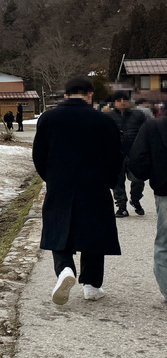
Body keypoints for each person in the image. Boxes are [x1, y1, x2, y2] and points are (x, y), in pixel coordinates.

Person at [32, 77, 123, 304]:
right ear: (90, 95)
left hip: (60, 184)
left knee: (57, 227)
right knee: (94, 232)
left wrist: (50, 177)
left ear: (65, 95)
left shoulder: (48, 119)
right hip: (94, 186)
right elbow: (115, 157)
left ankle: (64, 269)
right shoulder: (104, 121)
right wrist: (110, 182)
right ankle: (91, 286)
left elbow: (38, 155)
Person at [129, 114, 167, 304]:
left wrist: (149, 173)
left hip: (165, 190)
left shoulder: (153, 126)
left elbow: (138, 159)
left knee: (164, 244)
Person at [108, 91, 147, 216]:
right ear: (114, 103)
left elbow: (145, 132)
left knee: (138, 179)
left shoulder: (138, 115)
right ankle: (121, 206)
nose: (122, 102)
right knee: (117, 182)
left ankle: (135, 199)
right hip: (116, 153)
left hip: (135, 153)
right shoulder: (108, 117)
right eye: (119, 100)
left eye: (124, 100)